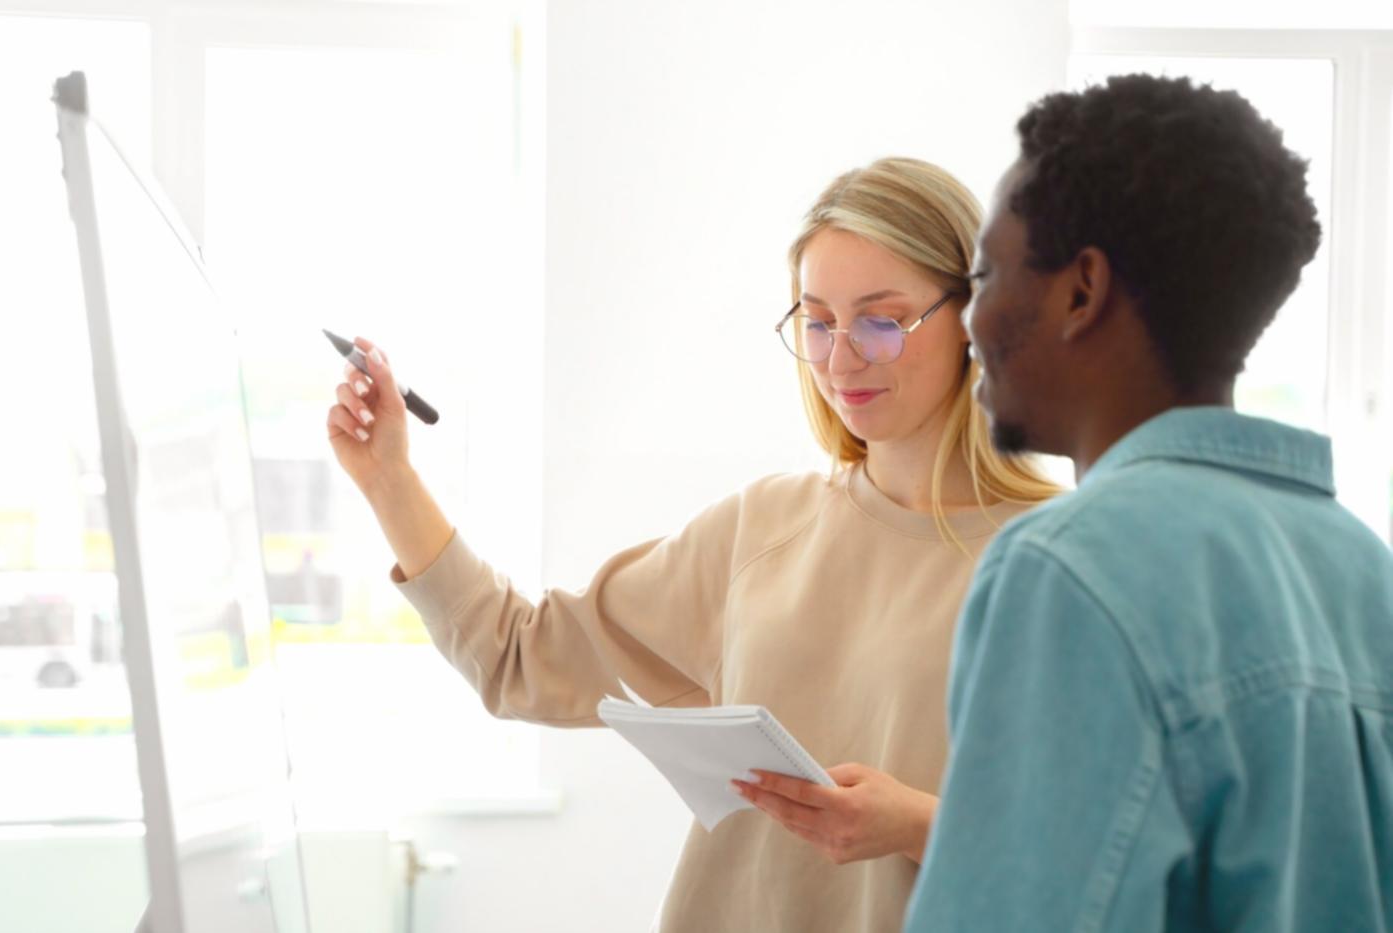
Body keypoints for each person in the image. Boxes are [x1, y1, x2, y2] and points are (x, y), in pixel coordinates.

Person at [327, 157, 1061, 932]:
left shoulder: (1059, 563)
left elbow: (1125, 864)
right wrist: (388, 480)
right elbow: (516, 655)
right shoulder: (763, 527)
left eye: (880, 322)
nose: (840, 360)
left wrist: (918, 823)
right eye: (816, 322)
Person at [900, 74, 1393, 931]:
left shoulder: (1069, 569)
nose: (970, 321)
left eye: (984, 275)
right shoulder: (1362, 570)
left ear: (1080, 291)